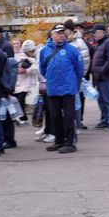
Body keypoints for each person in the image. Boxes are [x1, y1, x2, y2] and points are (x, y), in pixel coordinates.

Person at [39, 24, 84, 153]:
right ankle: (58, 141)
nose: (61, 35)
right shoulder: (45, 50)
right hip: (53, 89)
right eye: (58, 33)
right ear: (52, 35)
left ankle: (70, 142)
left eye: (62, 33)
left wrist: (75, 82)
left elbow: (79, 68)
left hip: (68, 88)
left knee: (69, 117)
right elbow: (43, 68)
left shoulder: (71, 49)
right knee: (55, 117)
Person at [90, 23, 109, 130]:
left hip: (106, 76)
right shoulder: (100, 44)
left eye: (96, 33)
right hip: (100, 77)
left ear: (102, 32)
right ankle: (104, 120)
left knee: (108, 100)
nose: (94, 35)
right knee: (101, 100)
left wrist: (102, 71)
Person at [14, 40, 38, 124]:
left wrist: (26, 70)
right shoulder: (11, 54)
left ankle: (23, 118)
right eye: (14, 43)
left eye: (17, 43)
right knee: (15, 100)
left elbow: (35, 65)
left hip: (24, 81)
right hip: (15, 81)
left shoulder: (26, 53)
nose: (16, 45)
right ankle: (20, 117)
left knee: (21, 100)